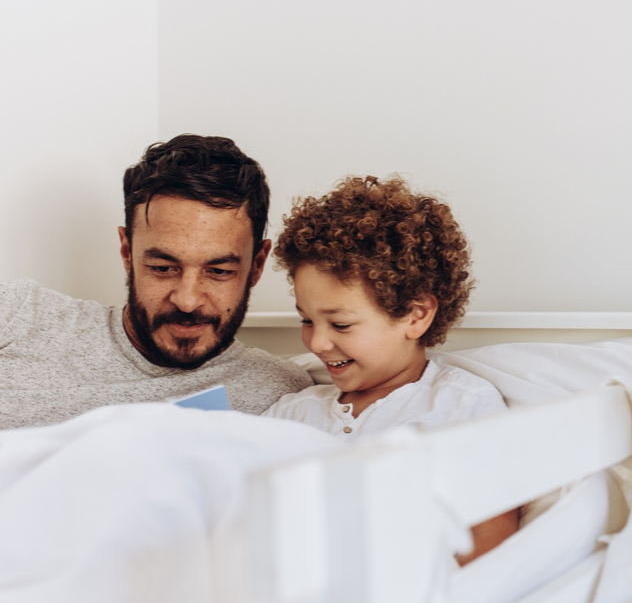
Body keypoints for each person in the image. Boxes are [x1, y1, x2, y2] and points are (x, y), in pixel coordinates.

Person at [264, 175, 518, 563]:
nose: (316, 343)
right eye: (306, 320)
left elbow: (488, 553)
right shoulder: (291, 413)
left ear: (416, 316)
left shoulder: (460, 406)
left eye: (341, 324)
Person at [0, 135, 312, 429]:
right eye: (163, 268)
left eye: (218, 271)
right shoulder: (17, 315)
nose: (187, 301)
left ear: (256, 265)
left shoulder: (281, 394)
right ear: (127, 252)